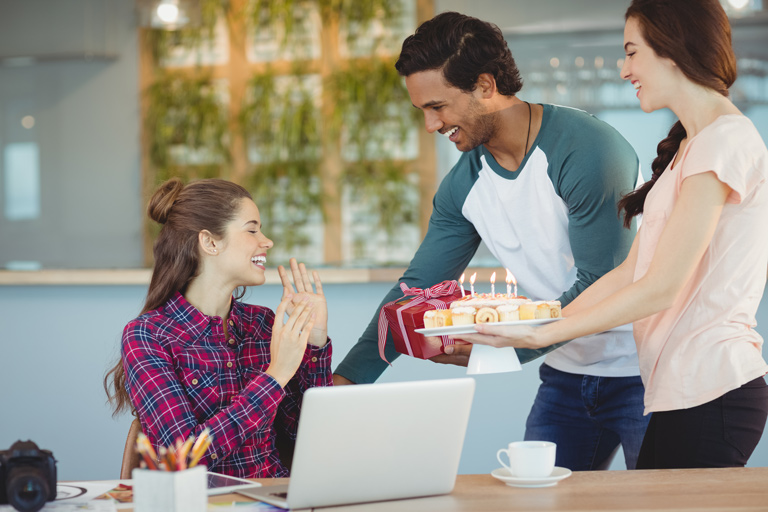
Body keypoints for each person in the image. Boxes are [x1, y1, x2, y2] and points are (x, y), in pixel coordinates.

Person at [333, 11, 649, 471]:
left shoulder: (588, 151)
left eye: (437, 106)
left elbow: (604, 279)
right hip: (567, 373)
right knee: (538, 503)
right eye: (422, 110)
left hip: (647, 369)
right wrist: (345, 384)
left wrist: (509, 347)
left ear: (484, 85)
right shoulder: (463, 186)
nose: (430, 125)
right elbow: (414, 290)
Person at [461, 0, 768, 469]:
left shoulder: (724, 142)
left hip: (714, 388)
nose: (624, 69)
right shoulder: (695, 145)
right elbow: (630, 272)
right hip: (678, 390)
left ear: (672, 49)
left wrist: (547, 336)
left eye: (632, 52)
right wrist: (539, 323)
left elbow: (661, 288)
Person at [104, 178, 332, 477]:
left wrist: (315, 341)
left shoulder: (262, 324)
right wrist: (275, 376)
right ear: (210, 242)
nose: (266, 241)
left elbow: (312, 437)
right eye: (252, 229)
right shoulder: (147, 336)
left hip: (277, 498)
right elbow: (182, 456)